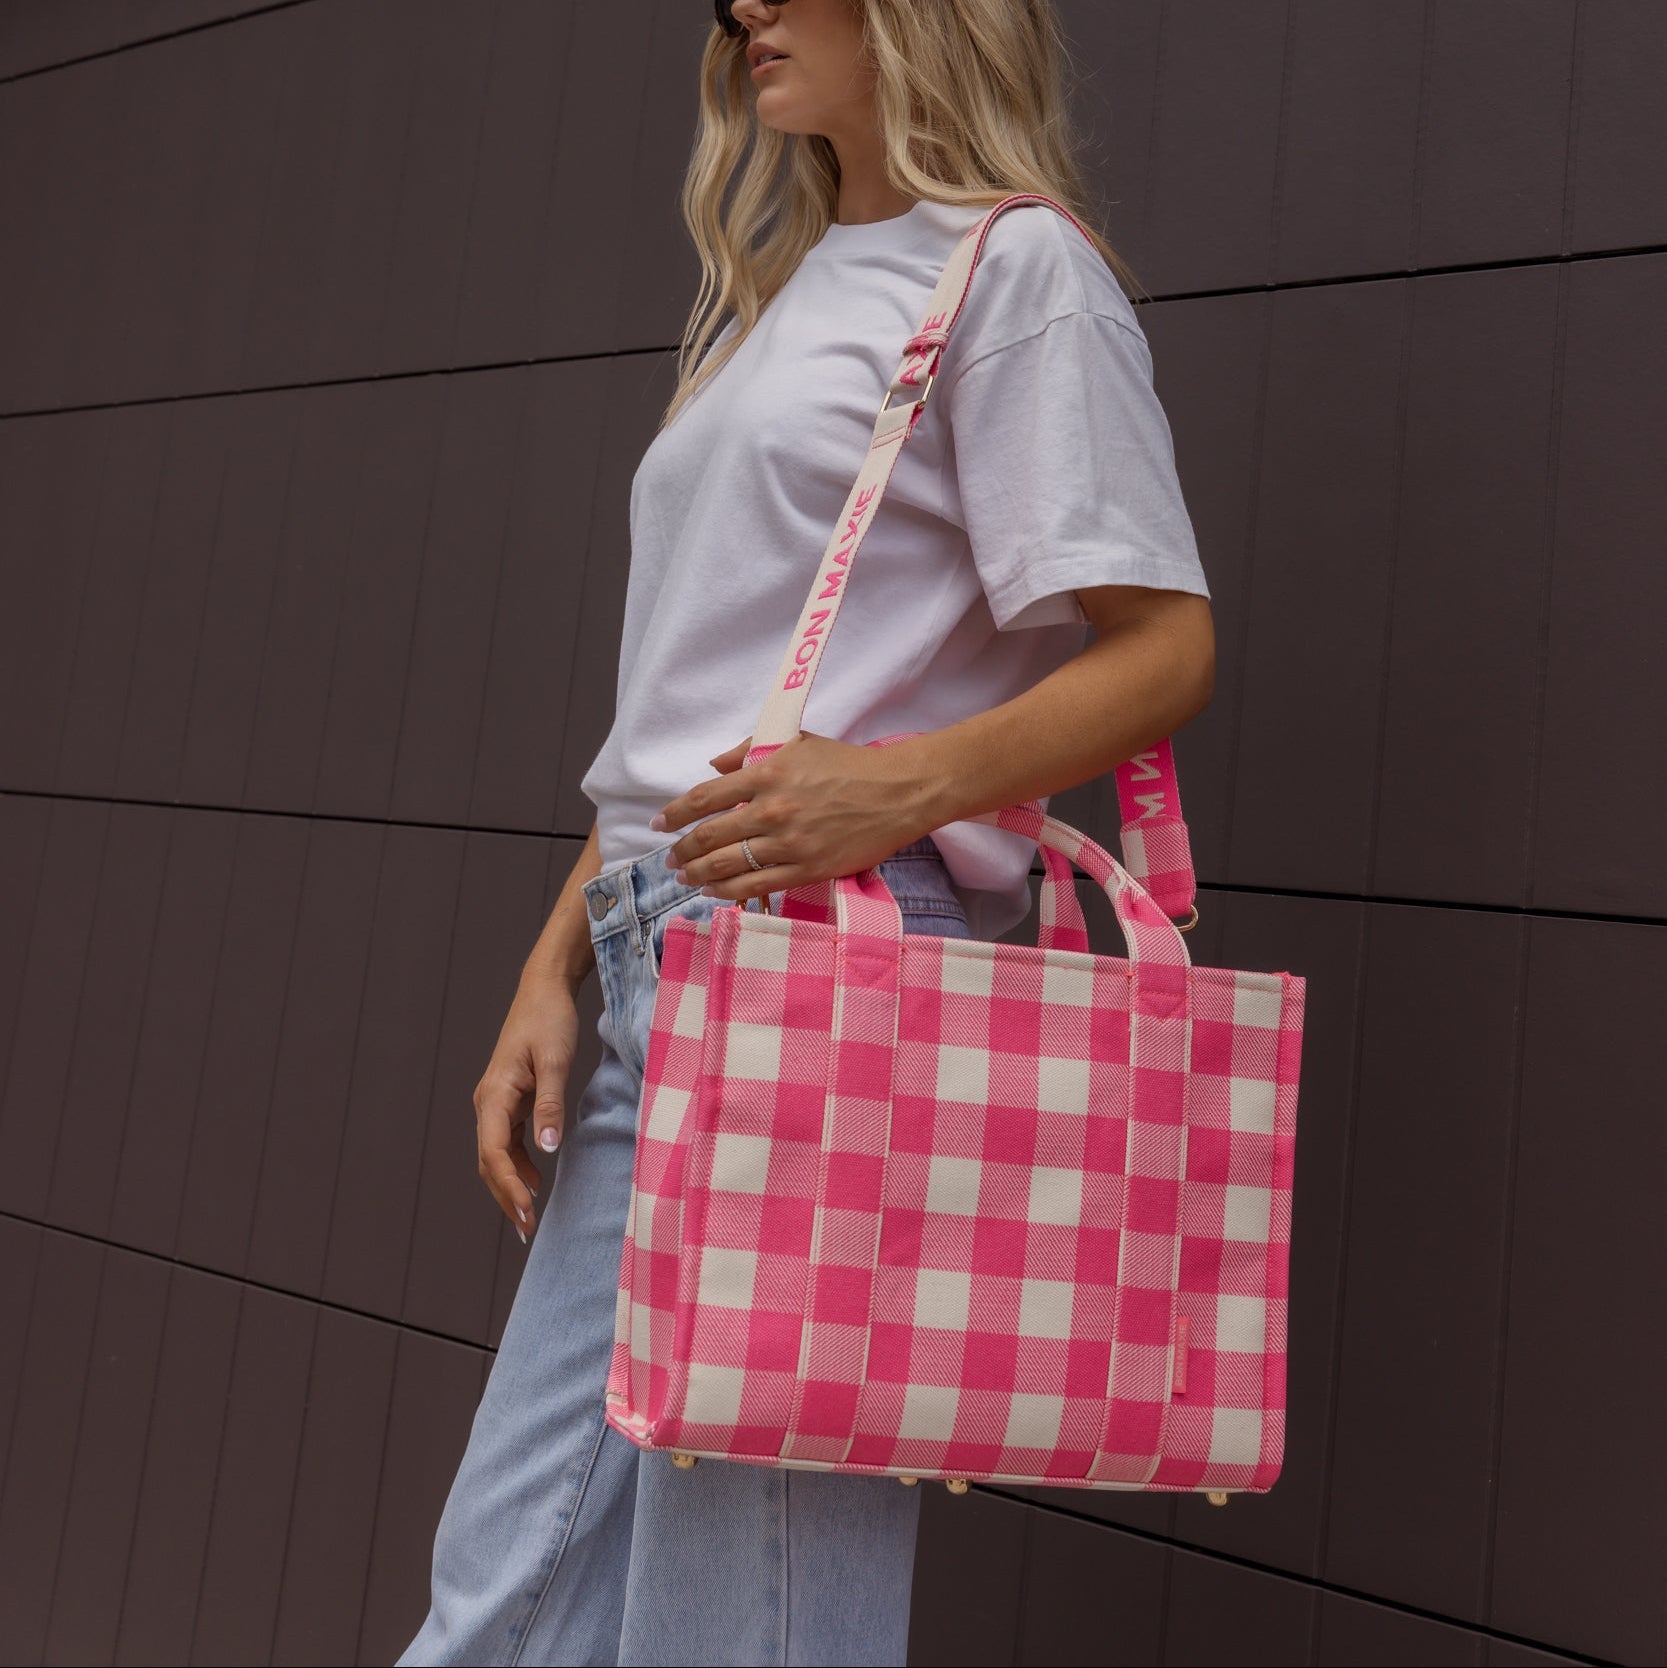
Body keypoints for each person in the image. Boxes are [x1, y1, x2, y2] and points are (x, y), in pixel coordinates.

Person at [401, 1, 1213, 1663]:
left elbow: (1168, 644)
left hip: (821, 976)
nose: (744, 10)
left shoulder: (1013, 273)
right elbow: (709, 702)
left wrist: (909, 784)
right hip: (663, 948)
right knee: (511, 1596)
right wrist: (558, 962)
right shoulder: (782, 296)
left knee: (739, 1620)